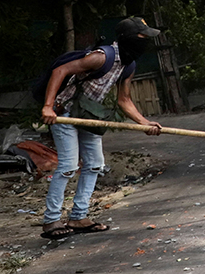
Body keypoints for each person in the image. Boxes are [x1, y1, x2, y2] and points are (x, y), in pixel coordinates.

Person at [39, 17, 163, 240]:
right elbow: (60, 71)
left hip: (88, 114)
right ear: (129, 39)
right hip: (64, 112)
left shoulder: (129, 64)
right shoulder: (101, 57)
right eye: (142, 37)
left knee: (95, 164)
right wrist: (48, 107)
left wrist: (144, 123)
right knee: (68, 165)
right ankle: (51, 221)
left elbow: (124, 100)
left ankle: (78, 216)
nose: (145, 43)